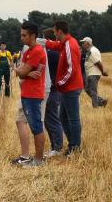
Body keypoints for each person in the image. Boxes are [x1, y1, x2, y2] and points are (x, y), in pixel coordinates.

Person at [43, 21, 84, 155]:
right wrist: (44, 42)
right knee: (63, 117)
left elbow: (72, 69)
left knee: (73, 118)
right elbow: (55, 45)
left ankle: (75, 147)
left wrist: (60, 82)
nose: (54, 34)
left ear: (59, 31)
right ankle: (72, 143)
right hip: (67, 87)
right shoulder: (65, 43)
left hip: (70, 87)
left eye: (55, 32)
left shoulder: (70, 45)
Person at [11, 22, 47, 167]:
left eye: (24, 35)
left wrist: (23, 71)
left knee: (36, 127)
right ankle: (28, 157)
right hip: (27, 93)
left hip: (33, 94)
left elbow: (20, 71)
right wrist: (24, 72)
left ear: (33, 36)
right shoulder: (27, 52)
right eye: (21, 35)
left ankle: (38, 160)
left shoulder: (37, 51)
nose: (21, 38)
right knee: (22, 121)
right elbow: (20, 73)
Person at [42, 30, 64, 158]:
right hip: (56, 89)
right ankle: (54, 146)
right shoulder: (58, 52)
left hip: (52, 89)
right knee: (49, 119)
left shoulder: (50, 54)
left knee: (52, 119)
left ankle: (57, 148)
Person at [81, 37, 108, 108]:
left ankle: (95, 107)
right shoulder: (90, 51)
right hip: (90, 73)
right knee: (87, 89)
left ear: (88, 43)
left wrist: (103, 71)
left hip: (93, 73)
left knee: (93, 91)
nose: (82, 45)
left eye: (83, 43)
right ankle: (101, 101)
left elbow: (98, 62)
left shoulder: (92, 51)